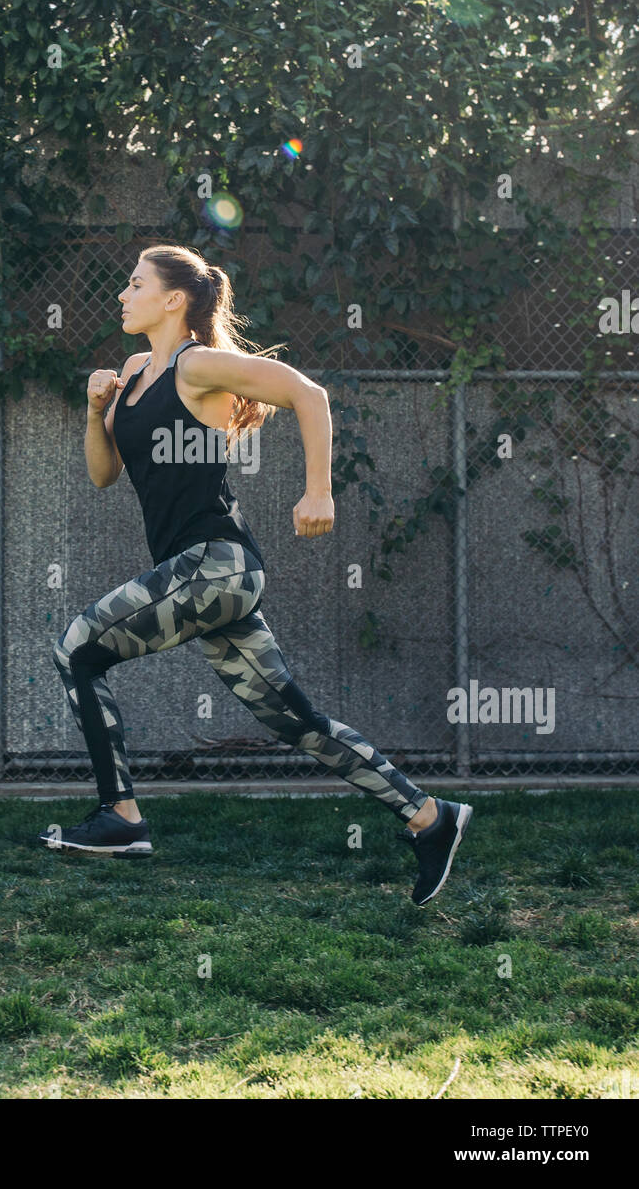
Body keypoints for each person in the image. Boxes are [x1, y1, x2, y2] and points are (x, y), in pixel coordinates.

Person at [39, 244, 472, 905]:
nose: (122, 296)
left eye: (134, 285)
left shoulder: (199, 365)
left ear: (173, 299)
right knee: (296, 719)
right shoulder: (131, 371)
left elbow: (308, 392)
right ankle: (428, 817)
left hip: (216, 565)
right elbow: (103, 474)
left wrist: (319, 490)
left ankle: (121, 819)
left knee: (77, 648)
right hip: (204, 578)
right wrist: (95, 409)